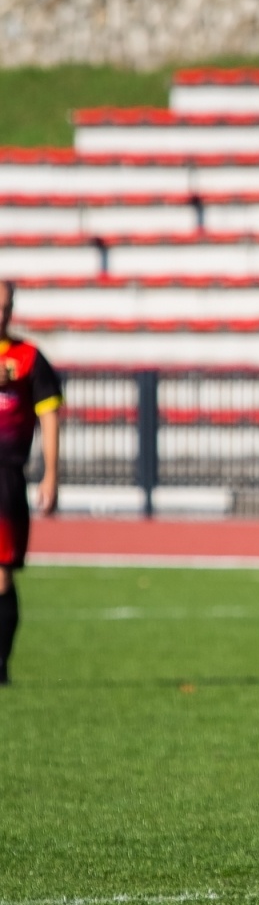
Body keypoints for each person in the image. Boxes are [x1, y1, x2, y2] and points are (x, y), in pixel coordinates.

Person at [0, 280, 61, 684]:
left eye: (5, 306)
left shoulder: (28, 358)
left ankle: (0, 664)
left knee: (1, 571)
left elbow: (49, 416)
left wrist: (51, 474)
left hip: (4, 475)